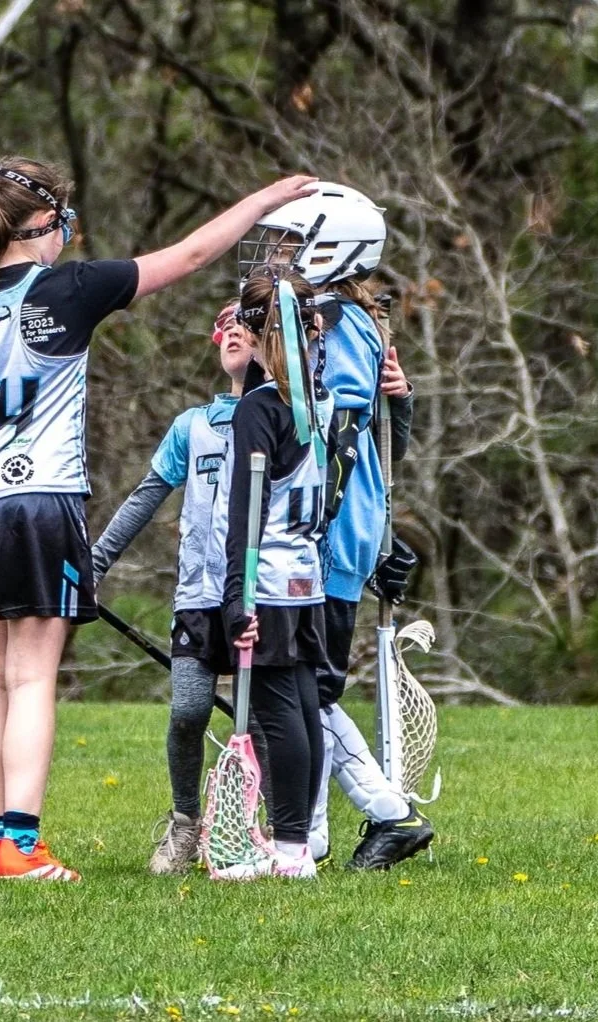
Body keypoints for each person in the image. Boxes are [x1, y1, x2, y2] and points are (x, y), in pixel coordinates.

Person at [0, 156, 316, 881]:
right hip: (39, 501)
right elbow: (188, 255)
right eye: (63, 225)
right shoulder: (72, 285)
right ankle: (20, 843)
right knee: (32, 677)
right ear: (43, 226)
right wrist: (261, 200)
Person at [238, 182, 430, 869]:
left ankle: (382, 815)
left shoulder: (335, 328)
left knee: (302, 688)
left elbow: (339, 439)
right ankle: (312, 833)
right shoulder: (335, 321)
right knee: (301, 688)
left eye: (291, 246)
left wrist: (335, 533)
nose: (278, 257)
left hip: (324, 536)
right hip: (332, 532)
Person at [89, 301, 253, 874]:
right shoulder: (194, 425)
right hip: (199, 597)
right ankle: (187, 823)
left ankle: (279, 827)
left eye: (248, 323)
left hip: (268, 596)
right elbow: (146, 496)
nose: (233, 330)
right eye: (225, 323)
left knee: (267, 718)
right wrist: (96, 561)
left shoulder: (291, 418)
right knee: (189, 711)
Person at [220, 267, 330, 880]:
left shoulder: (260, 410)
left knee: (280, 709)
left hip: (271, 576)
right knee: (304, 705)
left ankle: (290, 847)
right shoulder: (316, 402)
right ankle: (299, 841)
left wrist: (237, 595)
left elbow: (245, 510)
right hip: (308, 578)